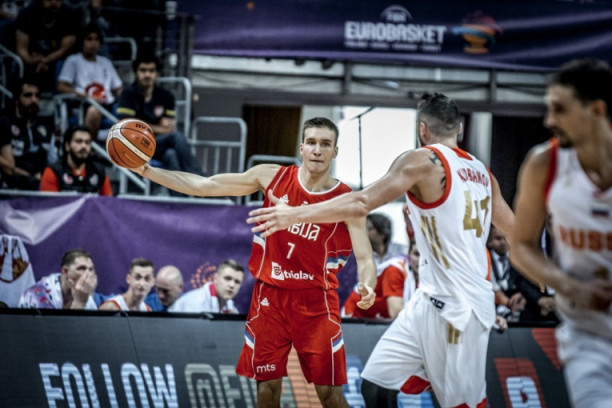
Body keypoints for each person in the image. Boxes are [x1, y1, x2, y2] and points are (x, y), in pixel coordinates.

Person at [248, 93, 515, 408]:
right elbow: (513, 229)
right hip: (428, 299)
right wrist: (542, 270)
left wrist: (294, 214)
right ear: (458, 128)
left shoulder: (420, 160)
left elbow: (361, 202)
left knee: (464, 404)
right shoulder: (483, 172)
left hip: (461, 305)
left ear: (422, 128)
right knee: (375, 385)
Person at [130, 117, 377, 407]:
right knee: (266, 391)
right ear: (301, 147)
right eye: (311, 142)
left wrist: (368, 284)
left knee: (330, 395)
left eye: (325, 144)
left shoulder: (347, 201)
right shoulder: (271, 177)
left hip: (316, 302)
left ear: (335, 152)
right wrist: (148, 171)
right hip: (269, 297)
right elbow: (205, 185)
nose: (317, 150)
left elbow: (365, 257)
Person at [511, 58, 612, 408]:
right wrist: (571, 287)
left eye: (560, 109)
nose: (548, 121)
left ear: (596, 111)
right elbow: (521, 246)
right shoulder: (544, 164)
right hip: (587, 336)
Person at [116, 53, 202, 177]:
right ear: (135, 72)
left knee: (171, 154)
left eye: (151, 71)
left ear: (157, 73)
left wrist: (140, 124)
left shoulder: (166, 96)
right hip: (134, 144)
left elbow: (168, 129)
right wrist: (157, 127)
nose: (147, 74)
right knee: (177, 137)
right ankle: (198, 177)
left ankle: (181, 189)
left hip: (157, 144)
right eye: (143, 70)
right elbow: (126, 127)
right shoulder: (127, 93)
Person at [56, 22, 123, 137]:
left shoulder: (106, 62)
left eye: (96, 39)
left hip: (107, 105)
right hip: (83, 104)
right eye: (89, 39)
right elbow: (61, 86)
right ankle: (88, 144)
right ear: (82, 41)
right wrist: (84, 96)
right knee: (94, 111)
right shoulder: (73, 60)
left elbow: (118, 88)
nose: (93, 43)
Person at [0, 77, 57, 190]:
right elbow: (9, 168)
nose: (34, 100)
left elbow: (53, 162)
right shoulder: (4, 123)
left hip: (40, 184)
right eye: (28, 95)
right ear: (17, 99)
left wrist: (45, 177)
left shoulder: (46, 127)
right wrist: (31, 177)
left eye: (37, 96)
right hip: (11, 185)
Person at [14, 0, 78, 93]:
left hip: (57, 58)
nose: (54, 2)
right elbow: (21, 48)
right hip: (32, 58)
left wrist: (46, 60)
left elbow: (65, 48)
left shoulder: (69, 13)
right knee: (18, 64)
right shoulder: (27, 13)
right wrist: (31, 61)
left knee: (66, 63)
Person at [40, 125, 113, 195]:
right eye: (79, 141)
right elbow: (49, 202)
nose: (83, 146)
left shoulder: (99, 171)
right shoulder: (53, 171)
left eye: (87, 142)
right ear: (67, 146)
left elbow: (108, 202)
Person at [18, 249, 98, 310]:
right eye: (82, 268)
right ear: (65, 271)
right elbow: (55, 327)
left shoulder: (83, 296)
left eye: (91, 269)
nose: (88, 274)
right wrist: (79, 304)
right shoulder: (37, 294)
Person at [171, 259, 244, 313]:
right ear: (215, 278)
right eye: (227, 278)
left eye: (237, 282)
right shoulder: (195, 303)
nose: (232, 285)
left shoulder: (233, 310)